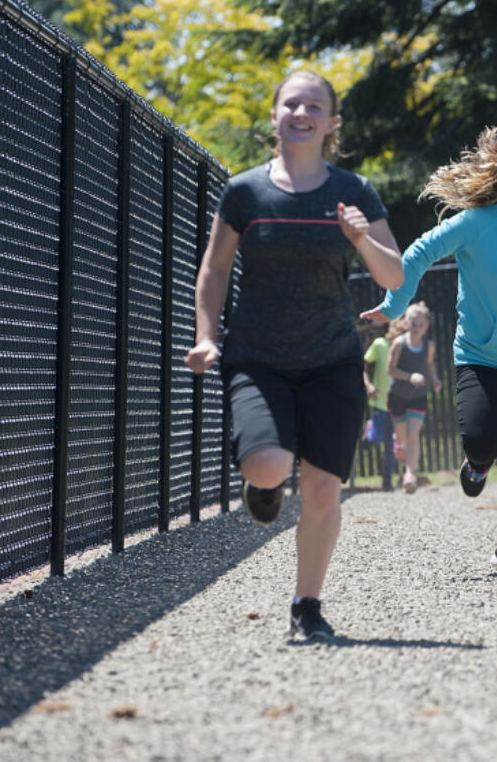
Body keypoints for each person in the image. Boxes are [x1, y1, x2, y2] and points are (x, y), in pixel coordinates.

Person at [185, 70, 404, 641]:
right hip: (258, 356)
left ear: (331, 123)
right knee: (269, 465)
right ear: (275, 115)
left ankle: (307, 605)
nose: (301, 112)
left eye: (314, 106)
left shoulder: (355, 192)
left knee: (324, 489)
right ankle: (262, 484)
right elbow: (214, 269)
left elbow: (395, 276)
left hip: (332, 358)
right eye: (291, 103)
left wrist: (362, 239)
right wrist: (207, 335)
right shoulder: (245, 192)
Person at [361, 126, 497, 576]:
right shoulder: (480, 224)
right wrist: (393, 304)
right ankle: (477, 465)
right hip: (482, 358)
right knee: (483, 441)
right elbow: (421, 252)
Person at [386, 301, 443, 493]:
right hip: (397, 396)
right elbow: (390, 369)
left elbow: (428, 365)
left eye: (420, 325)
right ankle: (398, 442)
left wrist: (434, 380)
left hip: (418, 395)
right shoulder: (399, 344)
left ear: (426, 325)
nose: (416, 328)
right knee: (402, 437)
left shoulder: (429, 345)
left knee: (413, 433)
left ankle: (410, 474)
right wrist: (410, 376)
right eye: (413, 324)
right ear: (406, 323)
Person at [361, 318, 396, 491]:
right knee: (376, 439)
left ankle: (387, 481)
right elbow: (364, 366)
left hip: (397, 404)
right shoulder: (380, 344)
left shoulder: (404, 345)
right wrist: (369, 385)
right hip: (379, 400)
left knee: (391, 444)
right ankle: (369, 432)